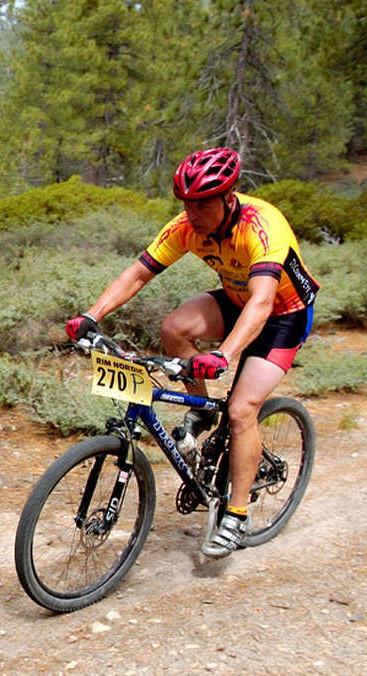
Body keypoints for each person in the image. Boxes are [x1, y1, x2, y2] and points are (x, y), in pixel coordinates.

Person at [66, 147, 319, 558]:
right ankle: (201, 409)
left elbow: (261, 304)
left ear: (229, 197)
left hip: (281, 314)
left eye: (202, 204)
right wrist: (90, 316)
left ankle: (236, 514)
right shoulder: (186, 227)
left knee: (240, 411)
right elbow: (137, 273)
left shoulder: (262, 226)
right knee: (174, 328)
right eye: (187, 204)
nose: (193, 213)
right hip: (237, 298)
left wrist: (224, 354)